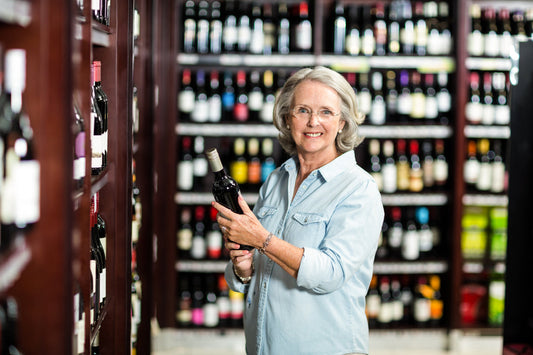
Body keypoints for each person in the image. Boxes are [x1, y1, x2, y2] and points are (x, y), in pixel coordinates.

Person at [212, 66, 384, 355]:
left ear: (342, 122)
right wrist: (243, 269)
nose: (313, 121)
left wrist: (262, 240)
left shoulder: (359, 190)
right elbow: (251, 272)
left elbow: (331, 273)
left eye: (326, 112)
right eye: (302, 110)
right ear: (287, 118)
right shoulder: (278, 179)